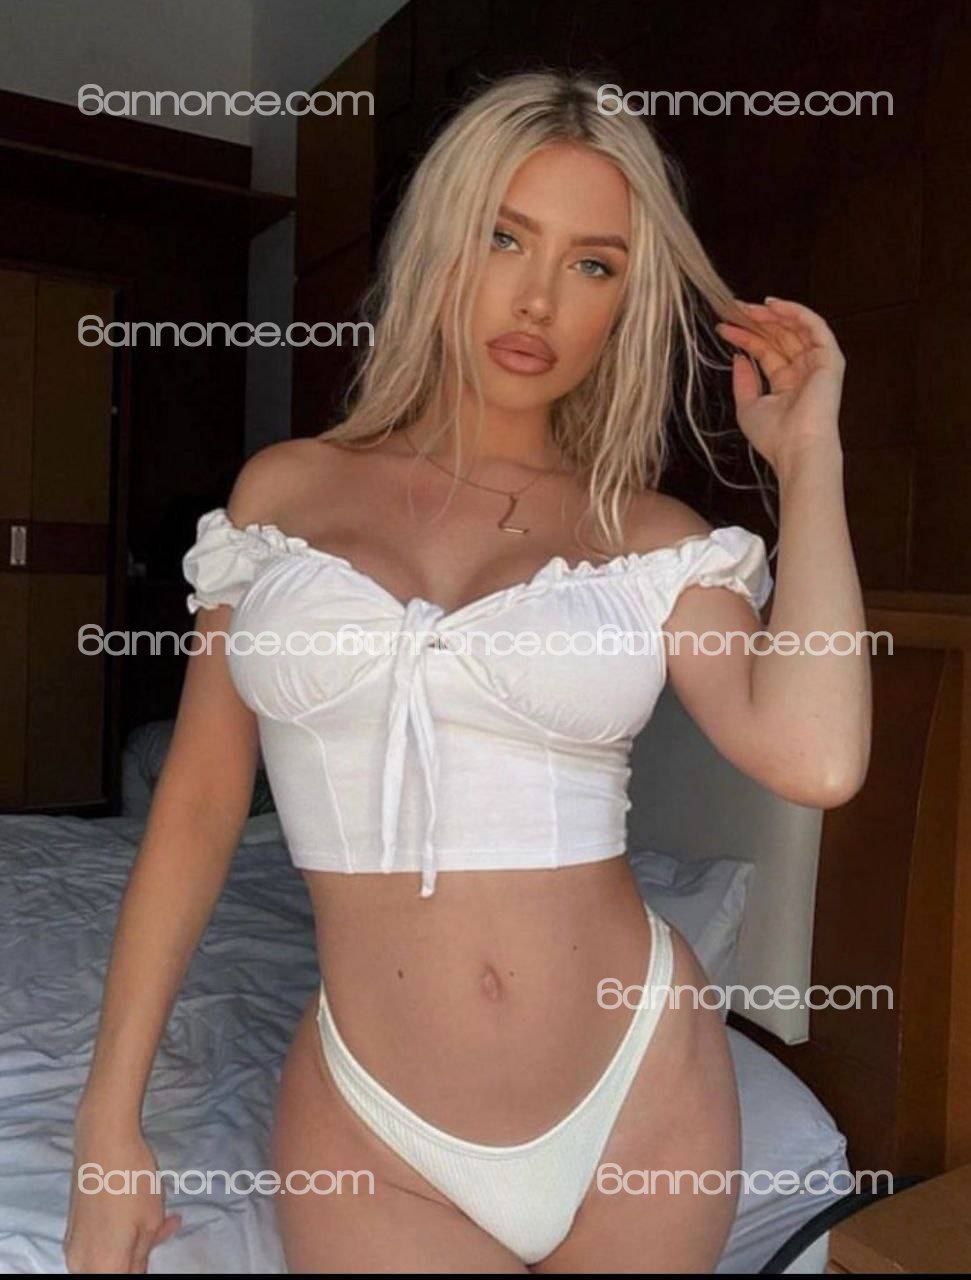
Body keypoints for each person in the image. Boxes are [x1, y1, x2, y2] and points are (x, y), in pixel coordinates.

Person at [65, 70, 870, 1274]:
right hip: (373, 1126)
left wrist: (808, 460)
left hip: (637, 1091)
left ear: (625, 301)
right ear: (441, 242)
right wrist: (107, 1124)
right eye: (504, 237)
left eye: (592, 264)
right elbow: (193, 805)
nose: (537, 296)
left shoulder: (649, 536)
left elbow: (815, 757)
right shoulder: (282, 494)